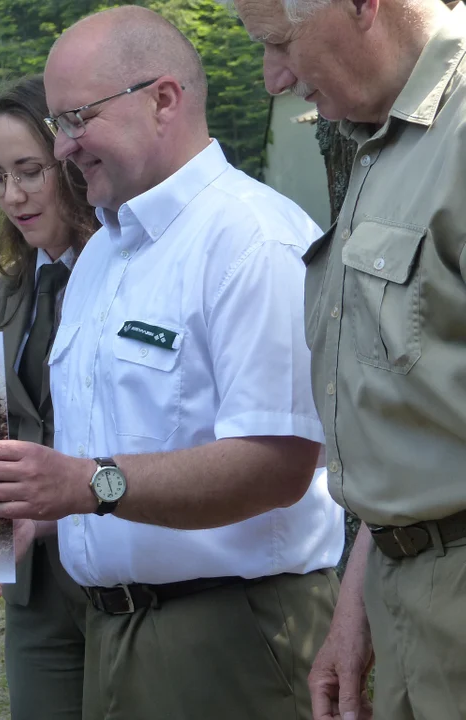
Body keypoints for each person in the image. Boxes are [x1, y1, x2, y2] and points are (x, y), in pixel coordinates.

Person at [0, 7, 345, 719]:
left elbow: (278, 463)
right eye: (57, 124)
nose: (63, 147)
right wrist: (43, 512)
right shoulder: (102, 255)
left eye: (77, 118)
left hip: (234, 638)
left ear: (164, 100)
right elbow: (116, 460)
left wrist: (85, 484)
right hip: (111, 635)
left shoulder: (251, 240)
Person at [231, 0, 466, 718]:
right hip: (402, 591)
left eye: (278, 43)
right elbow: (412, 427)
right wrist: (359, 601)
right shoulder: (381, 139)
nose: (274, 78)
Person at [0, 74, 99, 719]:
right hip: (31, 583)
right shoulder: (11, 288)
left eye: (29, 171)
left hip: (110, 562)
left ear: (70, 164)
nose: (12, 196)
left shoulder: (120, 270)